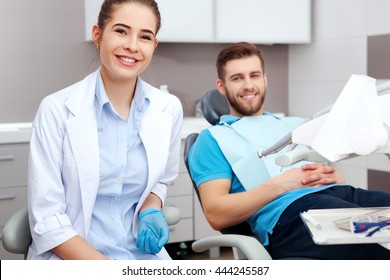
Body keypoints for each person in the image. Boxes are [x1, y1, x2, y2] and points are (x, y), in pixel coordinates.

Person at [188, 42, 390, 259]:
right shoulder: (212, 139)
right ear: (221, 86)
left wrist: (335, 177)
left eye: (254, 75)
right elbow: (216, 213)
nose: (248, 85)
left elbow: (325, 171)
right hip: (292, 213)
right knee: (376, 251)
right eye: (237, 78)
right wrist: (283, 183)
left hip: (345, 194)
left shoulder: (297, 125)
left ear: (264, 79)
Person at [27, 0, 182, 260]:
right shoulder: (56, 111)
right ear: (98, 35)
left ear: (153, 46)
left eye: (145, 36)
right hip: (75, 258)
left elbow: (162, 180)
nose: (132, 45)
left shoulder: (168, 109)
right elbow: (47, 221)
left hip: (139, 253)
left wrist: (151, 208)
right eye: (121, 31)